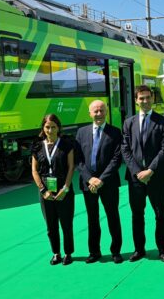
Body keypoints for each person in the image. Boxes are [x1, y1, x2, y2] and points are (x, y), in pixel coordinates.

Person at [121, 85, 164, 262]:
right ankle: (139, 249)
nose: (145, 101)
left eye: (148, 97)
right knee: (137, 215)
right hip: (136, 179)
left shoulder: (163, 121)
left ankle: (162, 248)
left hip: (156, 176)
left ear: (152, 99)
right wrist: (138, 172)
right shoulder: (129, 123)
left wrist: (150, 170)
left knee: (160, 213)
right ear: (136, 101)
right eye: (141, 98)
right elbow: (125, 149)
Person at [75, 100, 123, 264]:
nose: (99, 114)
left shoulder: (115, 132)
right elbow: (78, 160)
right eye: (95, 111)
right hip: (89, 185)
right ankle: (94, 251)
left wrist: (101, 179)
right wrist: (90, 179)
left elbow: (117, 159)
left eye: (102, 110)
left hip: (108, 183)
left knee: (112, 216)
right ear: (90, 114)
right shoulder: (81, 132)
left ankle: (116, 251)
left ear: (107, 112)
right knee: (92, 218)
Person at [31, 113, 76, 266]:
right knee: (51, 225)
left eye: (53, 127)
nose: (50, 130)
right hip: (46, 189)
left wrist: (66, 188)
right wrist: (43, 190)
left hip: (63, 187)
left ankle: (68, 253)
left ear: (58, 128)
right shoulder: (37, 146)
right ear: (43, 129)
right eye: (47, 127)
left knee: (66, 223)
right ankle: (56, 253)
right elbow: (34, 171)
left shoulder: (67, 144)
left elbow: (71, 167)